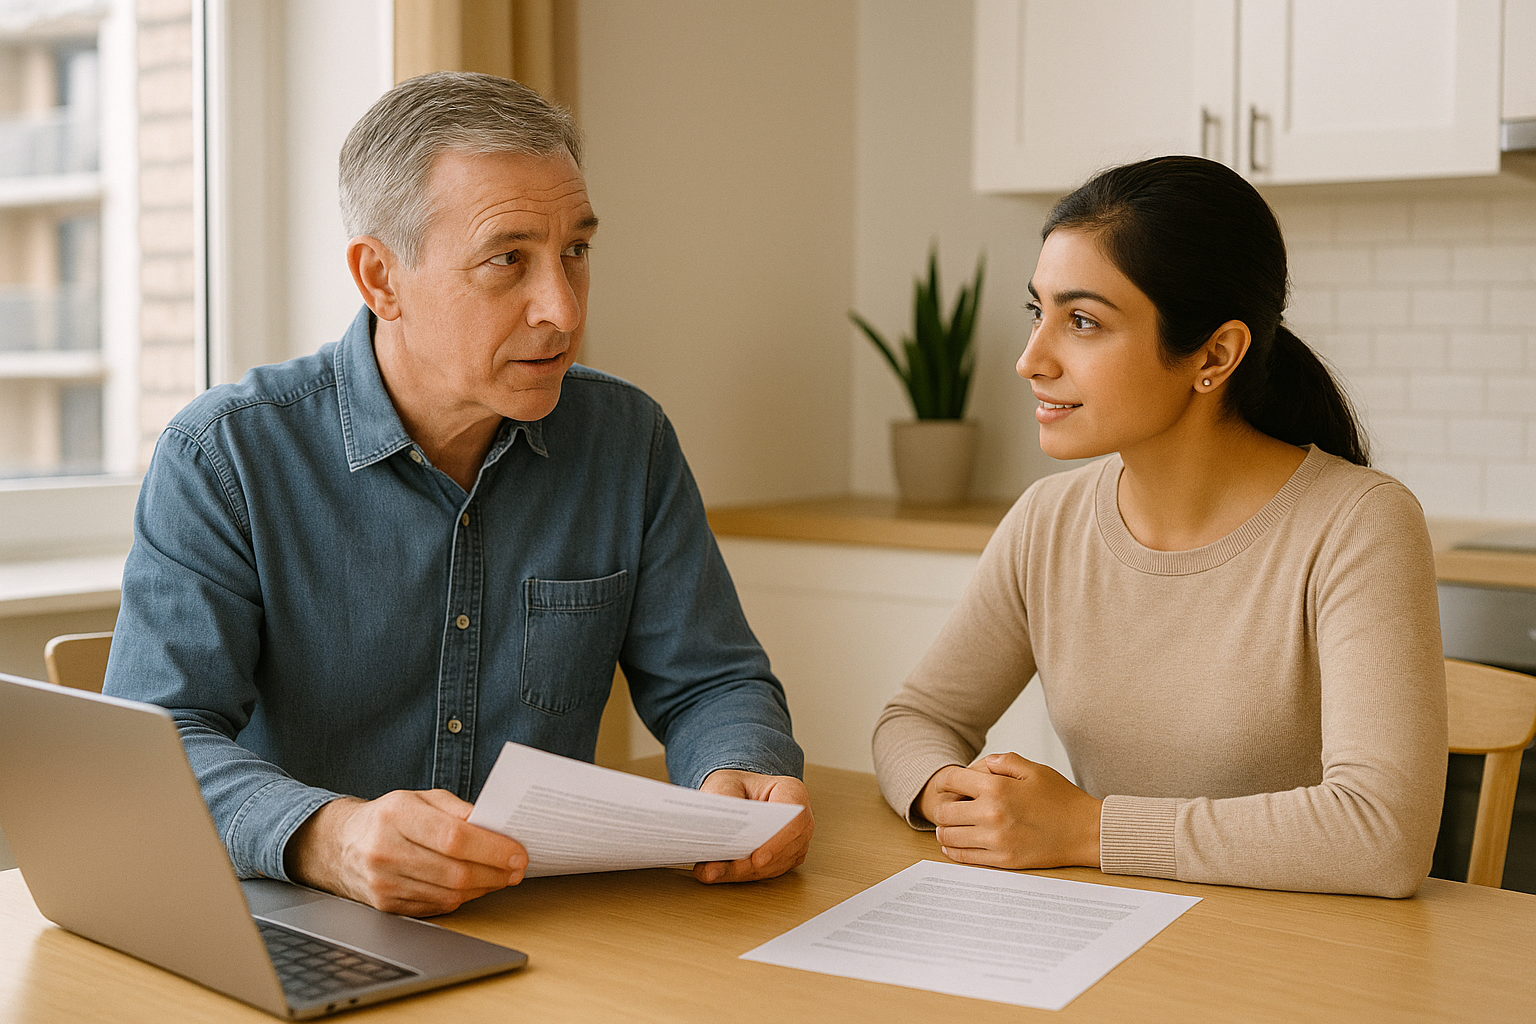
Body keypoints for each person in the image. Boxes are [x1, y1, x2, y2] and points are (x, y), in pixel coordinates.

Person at [104, 72, 812, 917]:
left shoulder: (630, 440)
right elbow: (155, 747)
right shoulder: (225, 455)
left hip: (552, 928)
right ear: (381, 279)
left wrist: (741, 767)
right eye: (507, 259)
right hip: (307, 921)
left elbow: (711, 682)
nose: (561, 308)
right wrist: (329, 837)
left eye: (576, 252)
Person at [871, 155, 1446, 898]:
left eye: (1081, 321)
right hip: (1111, 940)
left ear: (1214, 355)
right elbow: (916, 718)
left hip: (1305, 966)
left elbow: (1382, 835)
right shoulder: (1049, 520)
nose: (1029, 359)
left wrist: (1086, 830)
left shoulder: (1359, 524)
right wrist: (947, 789)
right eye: (1036, 312)